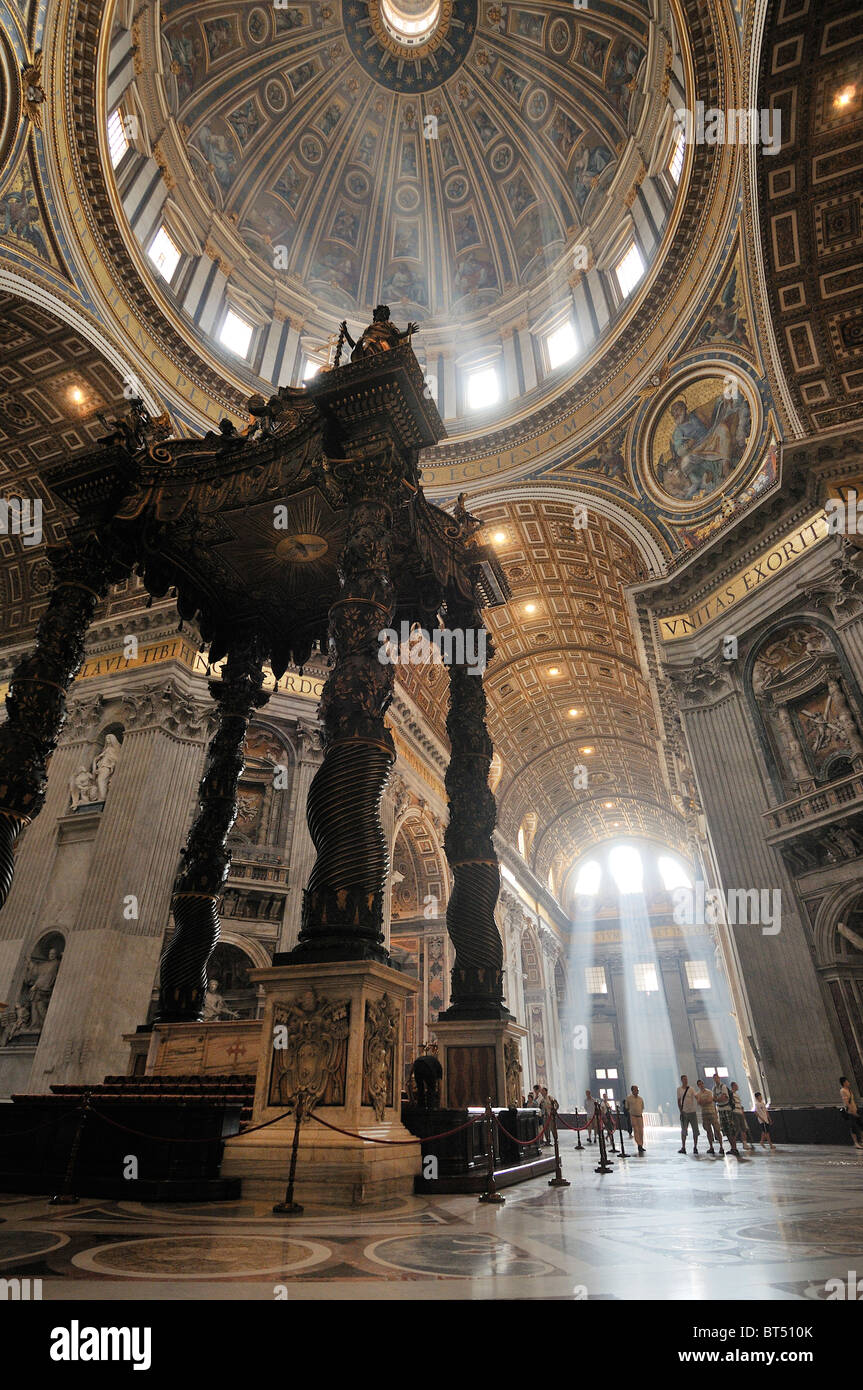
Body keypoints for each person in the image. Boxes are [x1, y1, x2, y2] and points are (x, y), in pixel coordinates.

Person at [712, 1073, 739, 1156]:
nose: (716, 1080)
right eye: (714, 1078)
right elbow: (714, 1099)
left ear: (719, 1078)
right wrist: (718, 1099)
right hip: (720, 1110)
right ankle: (732, 1148)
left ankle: (735, 1148)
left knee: (730, 1128)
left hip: (727, 1109)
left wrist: (718, 1099)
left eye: (717, 1078)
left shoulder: (723, 1087)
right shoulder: (714, 1088)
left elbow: (724, 1098)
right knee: (725, 1130)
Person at [695, 1078, 722, 1154]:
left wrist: (703, 1101)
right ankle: (711, 1147)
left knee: (717, 1130)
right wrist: (703, 1101)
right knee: (708, 1131)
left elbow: (709, 1100)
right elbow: (699, 1103)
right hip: (704, 1114)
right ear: (698, 1086)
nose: (701, 1085)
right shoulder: (698, 1094)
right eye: (699, 1084)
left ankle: (721, 1146)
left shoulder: (709, 1092)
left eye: (702, 1084)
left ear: (703, 1084)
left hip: (712, 1112)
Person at [677, 1074, 700, 1153]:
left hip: (692, 1111)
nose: (686, 1080)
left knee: (695, 1130)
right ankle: (683, 1147)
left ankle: (695, 1146)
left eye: (686, 1079)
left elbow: (696, 1097)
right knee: (684, 1130)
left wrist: (700, 1101)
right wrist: (681, 1111)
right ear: (682, 1080)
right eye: (684, 1079)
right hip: (684, 1112)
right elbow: (679, 1101)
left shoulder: (691, 1089)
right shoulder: (679, 1090)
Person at [839, 1076, 863, 1150]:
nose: (849, 1083)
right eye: (847, 1081)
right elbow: (846, 1103)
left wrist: (856, 1109)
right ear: (844, 1083)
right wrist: (852, 1111)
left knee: (860, 1125)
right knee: (853, 1128)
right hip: (850, 1112)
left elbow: (852, 1101)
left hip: (855, 1110)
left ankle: (861, 1140)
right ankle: (856, 1143)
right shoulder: (843, 1091)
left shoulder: (849, 1090)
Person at [731, 1081, 755, 1152]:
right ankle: (733, 1144)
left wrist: (742, 1112)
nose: (737, 1086)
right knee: (736, 1129)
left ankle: (745, 1143)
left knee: (743, 1128)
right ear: (733, 1086)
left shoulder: (737, 1095)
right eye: (736, 1085)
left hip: (740, 1112)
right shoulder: (731, 1094)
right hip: (735, 1113)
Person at [626, 1084, 645, 1154]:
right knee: (636, 1130)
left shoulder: (640, 1099)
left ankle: (641, 1144)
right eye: (635, 1090)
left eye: (637, 1090)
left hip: (639, 1116)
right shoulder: (629, 1098)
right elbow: (627, 1107)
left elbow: (642, 1107)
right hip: (633, 1116)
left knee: (641, 1131)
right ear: (632, 1090)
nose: (637, 1091)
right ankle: (639, 1144)